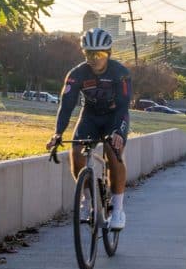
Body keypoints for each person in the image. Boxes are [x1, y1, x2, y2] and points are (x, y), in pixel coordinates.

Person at [46, 28, 131, 230]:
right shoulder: (76, 74)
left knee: (113, 151)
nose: (94, 59)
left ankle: (118, 210)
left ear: (108, 53)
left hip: (114, 116)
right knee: (76, 153)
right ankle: (87, 200)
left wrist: (118, 132)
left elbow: (123, 105)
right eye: (89, 54)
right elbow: (66, 105)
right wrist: (58, 133)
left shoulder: (120, 73)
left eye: (99, 54)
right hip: (90, 116)